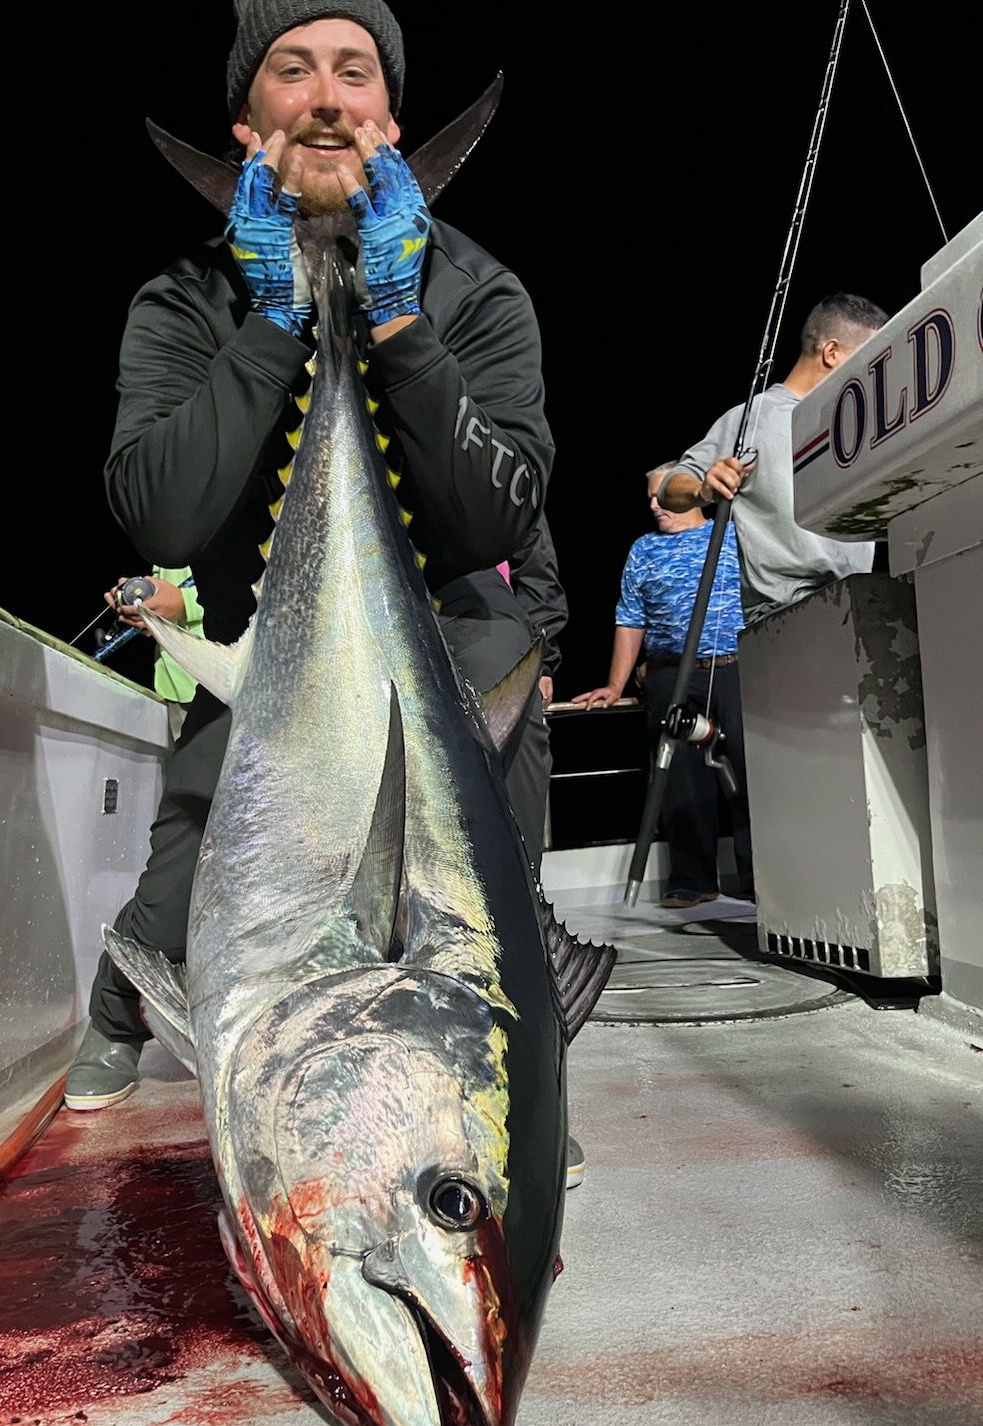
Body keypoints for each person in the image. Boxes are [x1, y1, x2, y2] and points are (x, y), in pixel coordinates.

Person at [66, 2, 570, 1143]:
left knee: (503, 700)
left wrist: (399, 321)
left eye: (355, 74)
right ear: (246, 125)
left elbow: (497, 513)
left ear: (390, 118)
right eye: (293, 73)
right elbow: (161, 512)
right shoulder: (185, 298)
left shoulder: (476, 291)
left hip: (447, 630)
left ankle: (514, 1053)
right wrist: (272, 322)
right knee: (193, 854)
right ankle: (119, 1005)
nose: (329, 100)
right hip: (268, 636)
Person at [574, 465, 752, 908]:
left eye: (663, 495)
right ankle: (693, 879)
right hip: (671, 675)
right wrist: (615, 684)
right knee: (680, 777)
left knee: (749, 769)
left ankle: (758, 877)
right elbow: (630, 617)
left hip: (737, 667)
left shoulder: (733, 534)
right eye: (650, 498)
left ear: (691, 493)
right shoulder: (644, 549)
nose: (654, 505)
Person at [658, 293, 888, 622]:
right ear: (831, 353)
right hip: (784, 614)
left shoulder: (857, 423)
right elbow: (669, 487)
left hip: (858, 603)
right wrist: (701, 489)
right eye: (868, 356)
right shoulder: (753, 417)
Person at [107, 568, 206, 738]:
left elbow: (252, 584)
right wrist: (143, 596)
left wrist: (187, 602)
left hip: (225, 683)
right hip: (173, 685)